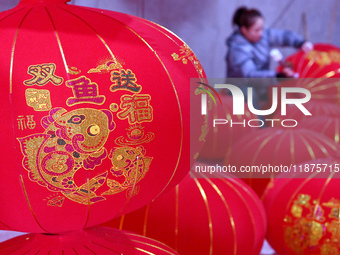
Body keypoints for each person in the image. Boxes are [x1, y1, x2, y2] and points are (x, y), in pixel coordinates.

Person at [226, 7, 313, 103]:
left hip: (260, 85)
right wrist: (277, 77)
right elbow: (250, 76)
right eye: (256, 30)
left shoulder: (262, 36)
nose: (261, 33)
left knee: (282, 94)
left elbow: (282, 36)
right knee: (250, 96)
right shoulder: (237, 49)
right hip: (240, 88)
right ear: (244, 30)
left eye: (262, 29)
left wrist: (301, 43)